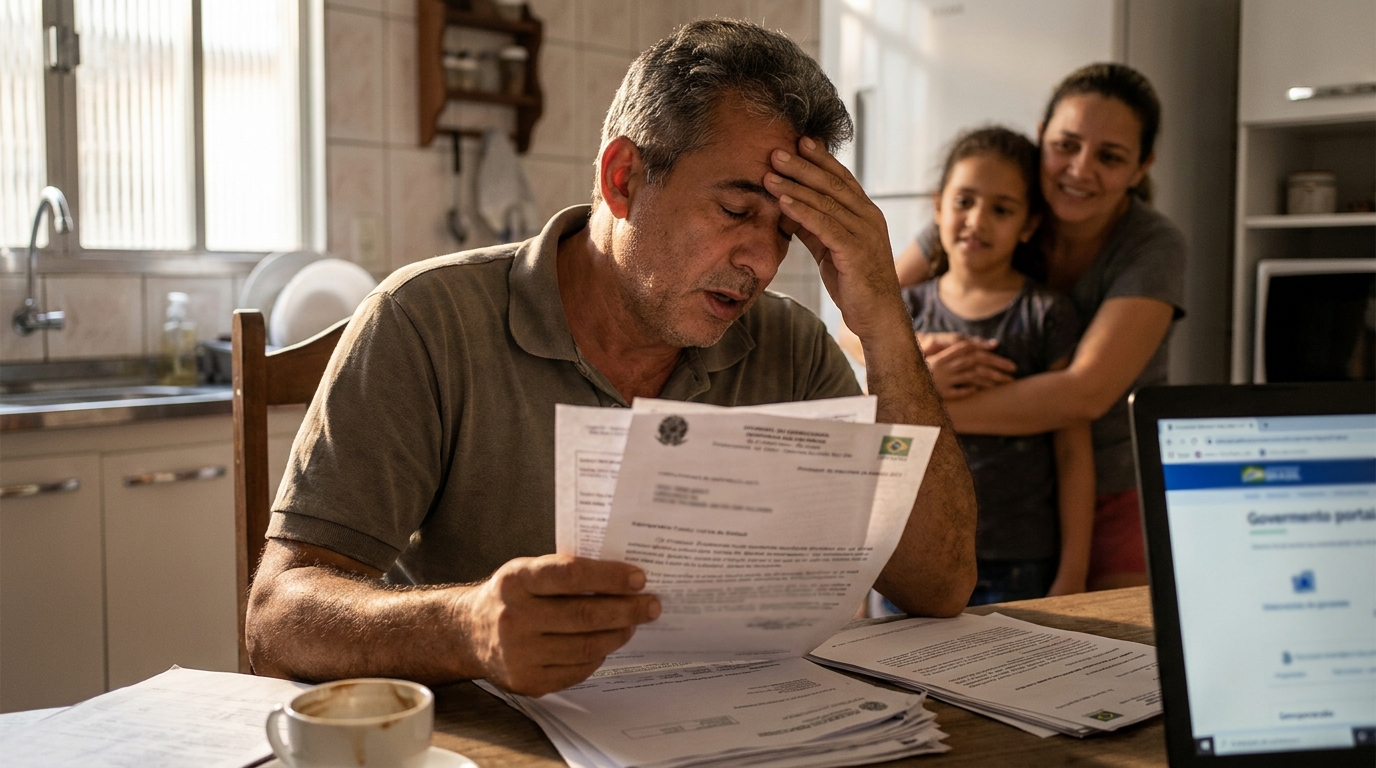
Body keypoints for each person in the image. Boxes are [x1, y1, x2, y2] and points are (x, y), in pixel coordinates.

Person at [246, 20, 978, 697]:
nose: (761, 261)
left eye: (787, 231)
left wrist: (882, 319)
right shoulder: (427, 320)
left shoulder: (790, 347)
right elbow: (276, 619)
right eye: (735, 210)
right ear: (623, 178)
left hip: (739, 728)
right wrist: (468, 627)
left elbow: (939, 587)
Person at [888, 63, 1186, 590]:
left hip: (1112, 488)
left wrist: (918, 409)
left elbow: (1083, 396)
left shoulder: (1152, 245)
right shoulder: (995, 203)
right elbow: (863, 316)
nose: (1079, 169)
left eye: (1110, 157)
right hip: (992, 500)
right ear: (1041, 136)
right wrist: (919, 353)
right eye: (1065, 145)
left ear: (1141, 168)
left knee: (1105, 658)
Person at [899, 127, 1094, 604]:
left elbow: (1072, 452)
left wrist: (1073, 573)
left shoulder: (1047, 314)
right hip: (911, 553)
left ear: (1028, 225)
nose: (977, 220)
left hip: (1020, 562)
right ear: (938, 206)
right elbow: (879, 440)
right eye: (964, 201)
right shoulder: (905, 312)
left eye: (1002, 209)